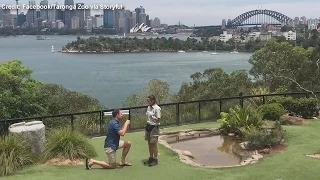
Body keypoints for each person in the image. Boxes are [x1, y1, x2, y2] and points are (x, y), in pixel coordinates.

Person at [144, 95, 161, 166]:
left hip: (154, 127)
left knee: (153, 144)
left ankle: (155, 159)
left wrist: (153, 116)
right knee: (149, 143)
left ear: (153, 101)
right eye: (147, 101)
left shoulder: (157, 108)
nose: (147, 102)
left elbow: (159, 119)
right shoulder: (149, 107)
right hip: (148, 125)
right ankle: (151, 157)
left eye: (148, 101)